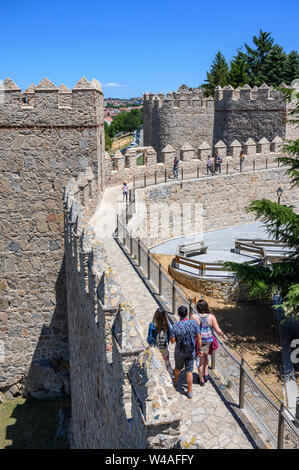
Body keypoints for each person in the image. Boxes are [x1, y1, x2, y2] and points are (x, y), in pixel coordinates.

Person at [191, 299, 227, 386]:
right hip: (208, 340)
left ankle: (201, 379)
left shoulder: (194, 317)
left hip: (199, 341)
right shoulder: (211, 317)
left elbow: (191, 329)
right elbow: (217, 329)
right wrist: (223, 335)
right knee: (206, 357)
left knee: (199, 361)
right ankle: (206, 374)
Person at [170, 305, 202, 399]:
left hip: (179, 352)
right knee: (189, 372)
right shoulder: (193, 323)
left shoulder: (175, 326)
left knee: (177, 368)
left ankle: (175, 381)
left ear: (178, 314)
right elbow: (199, 339)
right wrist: (199, 350)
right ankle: (189, 391)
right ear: (187, 314)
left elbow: (172, 341)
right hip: (191, 351)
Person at [147, 307, 173, 376]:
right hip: (164, 347)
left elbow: (149, 338)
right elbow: (169, 335)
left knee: (156, 362)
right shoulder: (167, 325)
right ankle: (171, 375)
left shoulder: (152, 325)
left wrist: (151, 346)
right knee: (167, 361)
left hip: (156, 348)